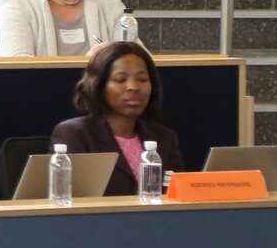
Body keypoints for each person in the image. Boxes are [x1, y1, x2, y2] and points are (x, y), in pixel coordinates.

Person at [50, 41, 185, 197]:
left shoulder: (164, 138)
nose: (133, 87)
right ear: (99, 85)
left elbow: (176, 195)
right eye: (121, 80)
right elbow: (73, 200)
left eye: (142, 80)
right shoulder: (75, 134)